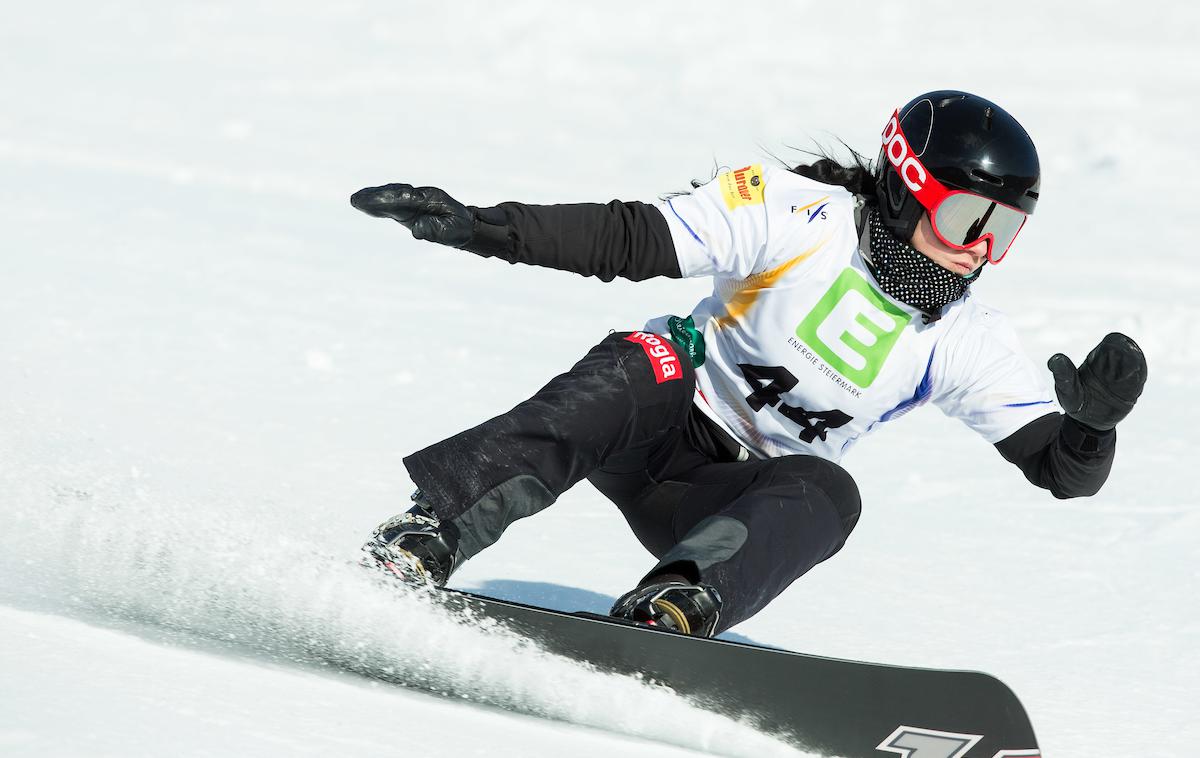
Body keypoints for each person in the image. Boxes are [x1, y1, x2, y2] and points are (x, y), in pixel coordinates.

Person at [350, 90, 1147, 638]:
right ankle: (431, 532)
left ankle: (682, 603)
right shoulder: (797, 214)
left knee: (832, 491)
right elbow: (628, 239)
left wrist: (1092, 428)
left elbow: (1062, 469)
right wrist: (486, 228)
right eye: (971, 216)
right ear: (908, 188)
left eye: (1004, 232)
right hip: (647, 428)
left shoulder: (966, 336)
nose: (981, 251)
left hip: (724, 505)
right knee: (650, 357)